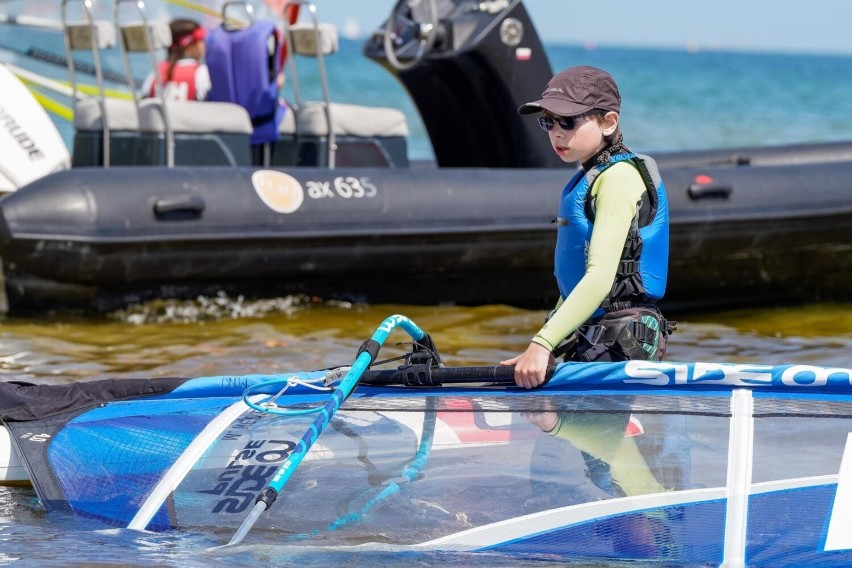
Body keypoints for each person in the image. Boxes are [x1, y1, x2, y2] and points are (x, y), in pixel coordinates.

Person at [501, 65, 675, 389]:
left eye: (568, 121)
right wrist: (549, 343)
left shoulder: (619, 179)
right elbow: (574, 284)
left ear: (608, 122)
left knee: (596, 433)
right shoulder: (593, 178)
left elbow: (598, 278)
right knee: (585, 435)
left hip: (624, 336)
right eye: (548, 121)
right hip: (596, 331)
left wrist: (542, 343)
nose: (556, 132)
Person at [141, 18, 211, 102]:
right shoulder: (202, 73)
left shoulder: (155, 74)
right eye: (202, 40)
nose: (205, 44)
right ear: (190, 44)